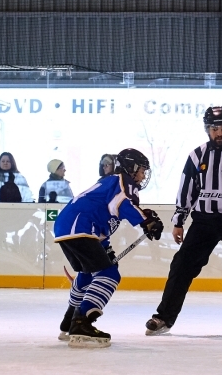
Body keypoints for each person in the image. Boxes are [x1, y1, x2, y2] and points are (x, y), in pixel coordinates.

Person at [145, 106, 222, 337]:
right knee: (182, 265)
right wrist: (179, 220)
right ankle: (164, 317)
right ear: (207, 129)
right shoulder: (196, 155)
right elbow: (187, 189)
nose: (218, 133)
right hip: (203, 220)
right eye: (214, 128)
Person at [54, 148, 163, 348]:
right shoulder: (122, 181)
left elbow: (103, 215)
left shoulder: (110, 182)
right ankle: (82, 322)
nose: (143, 175)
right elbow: (121, 204)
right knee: (109, 275)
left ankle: (69, 321)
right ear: (131, 168)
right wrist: (146, 221)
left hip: (69, 227)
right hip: (80, 227)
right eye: (142, 170)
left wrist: (105, 247)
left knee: (88, 274)